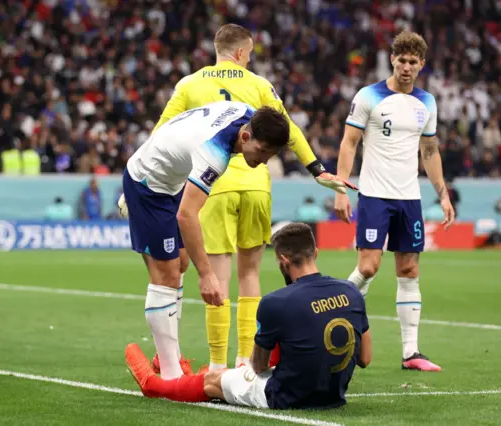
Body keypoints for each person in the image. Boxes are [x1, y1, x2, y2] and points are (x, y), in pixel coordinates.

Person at [150, 23, 357, 371]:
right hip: (257, 186)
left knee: (218, 275)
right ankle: (246, 361)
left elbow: (162, 131)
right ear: (243, 53)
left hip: (213, 183)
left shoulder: (190, 84)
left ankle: (217, 365)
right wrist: (317, 169)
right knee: (250, 275)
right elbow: (288, 130)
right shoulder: (260, 85)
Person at [120, 101, 290, 380]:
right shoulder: (215, 153)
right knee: (167, 276)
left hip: (172, 179)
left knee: (181, 263)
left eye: (270, 155)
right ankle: (172, 377)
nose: (263, 160)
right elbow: (187, 216)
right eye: (262, 151)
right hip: (149, 187)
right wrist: (207, 275)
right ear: (246, 137)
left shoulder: (248, 113)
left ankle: (168, 359)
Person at [124, 222, 372, 409]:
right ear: (315, 253)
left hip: (284, 397)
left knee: (213, 381)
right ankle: (189, 376)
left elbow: (259, 366)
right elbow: (365, 358)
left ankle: (153, 386)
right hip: (334, 396)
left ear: (283, 260)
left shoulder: (276, 302)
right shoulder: (352, 292)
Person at [334, 30, 455, 372]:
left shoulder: (426, 103)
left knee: (409, 270)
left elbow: (429, 150)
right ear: (392, 60)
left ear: (422, 65)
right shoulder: (369, 96)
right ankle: (332, 306)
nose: (406, 67)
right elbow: (349, 143)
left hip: (409, 198)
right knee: (369, 267)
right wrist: (342, 189)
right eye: (401, 60)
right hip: (374, 194)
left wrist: (442, 195)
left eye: (412, 62)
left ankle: (411, 352)